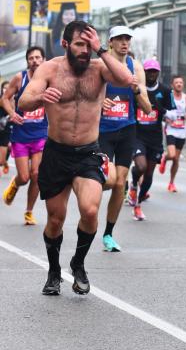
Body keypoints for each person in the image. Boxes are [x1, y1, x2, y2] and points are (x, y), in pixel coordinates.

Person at [18, 20, 136, 295]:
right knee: (56, 220)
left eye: (89, 45)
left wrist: (101, 50)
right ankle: (54, 271)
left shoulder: (99, 68)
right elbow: (24, 101)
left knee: (90, 210)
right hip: (57, 153)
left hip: (88, 152)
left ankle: (78, 263)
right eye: (80, 44)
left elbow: (126, 80)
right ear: (66, 44)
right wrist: (40, 97)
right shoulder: (50, 69)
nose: (85, 50)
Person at [98, 25, 151, 251]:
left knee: (119, 183)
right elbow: (87, 97)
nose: (124, 43)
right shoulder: (100, 65)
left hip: (127, 130)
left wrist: (136, 89)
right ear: (110, 42)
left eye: (127, 39)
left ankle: (108, 234)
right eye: (119, 39)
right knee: (106, 181)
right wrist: (99, 103)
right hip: (102, 131)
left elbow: (147, 109)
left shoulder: (135, 67)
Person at [1, 47, 49, 224]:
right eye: (31, 58)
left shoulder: (50, 79)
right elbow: (5, 98)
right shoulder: (20, 78)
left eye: (38, 57)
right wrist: (12, 114)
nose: (35, 60)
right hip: (21, 135)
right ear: (27, 61)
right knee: (24, 177)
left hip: (40, 134)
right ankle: (15, 184)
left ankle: (29, 212)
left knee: (36, 174)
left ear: (44, 59)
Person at [128, 58, 174, 221]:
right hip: (138, 135)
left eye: (155, 71)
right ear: (144, 73)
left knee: (148, 175)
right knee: (140, 165)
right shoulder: (136, 89)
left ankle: (138, 204)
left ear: (158, 73)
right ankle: (133, 184)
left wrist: (162, 111)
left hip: (155, 138)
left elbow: (173, 113)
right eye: (149, 72)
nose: (152, 74)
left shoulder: (165, 90)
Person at [158, 76, 186, 192]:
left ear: (183, 84)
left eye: (181, 82)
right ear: (173, 85)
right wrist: (165, 118)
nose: (179, 84)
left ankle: (171, 183)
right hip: (171, 129)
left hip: (182, 130)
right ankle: (164, 158)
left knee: (176, 159)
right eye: (176, 82)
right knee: (171, 155)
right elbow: (160, 110)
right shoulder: (169, 96)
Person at [0, 80, 11, 176]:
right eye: (4, 87)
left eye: (8, 88)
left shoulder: (14, 100)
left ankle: (5, 164)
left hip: (6, 130)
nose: (6, 90)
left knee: (1, 160)